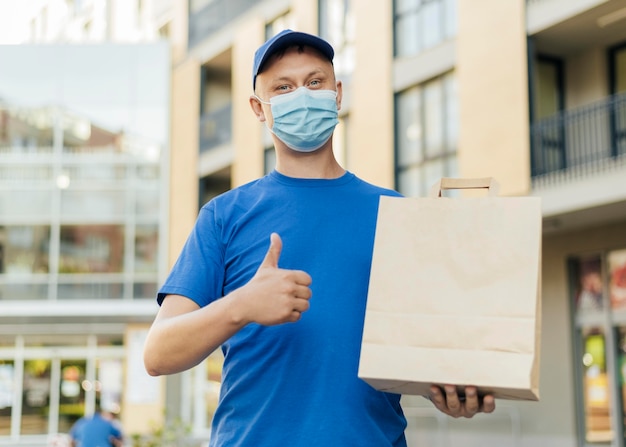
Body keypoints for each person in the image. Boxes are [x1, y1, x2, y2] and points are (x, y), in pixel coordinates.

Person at [143, 29, 495, 446]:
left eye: (315, 82)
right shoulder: (224, 216)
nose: (303, 96)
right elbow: (158, 353)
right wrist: (240, 305)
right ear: (260, 108)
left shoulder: (397, 213)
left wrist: (453, 389)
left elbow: (429, 344)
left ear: (337, 94)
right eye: (284, 87)